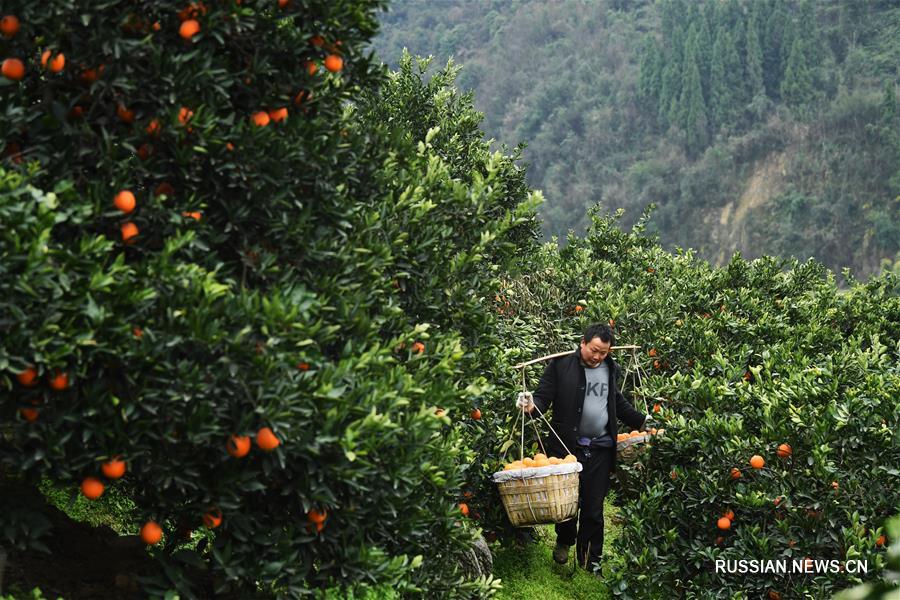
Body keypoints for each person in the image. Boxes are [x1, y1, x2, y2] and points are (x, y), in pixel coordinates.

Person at [516, 323, 651, 573]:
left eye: (604, 352)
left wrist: (643, 422)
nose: (598, 357)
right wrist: (530, 406)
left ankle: (591, 562)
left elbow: (617, 403)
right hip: (567, 447)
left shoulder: (611, 369)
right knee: (567, 504)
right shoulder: (560, 366)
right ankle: (565, 541)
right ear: (583, 343)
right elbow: (543, 397)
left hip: (600, 448)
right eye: (594, 350)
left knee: (594, 507)